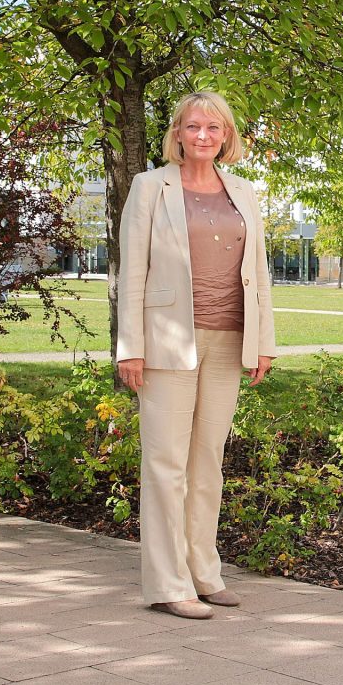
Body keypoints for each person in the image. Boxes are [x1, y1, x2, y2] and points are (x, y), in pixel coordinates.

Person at [116, 91, 277, 619]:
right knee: (165, 463)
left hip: (229, 338)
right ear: (178, 134)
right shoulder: (149, 187)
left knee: (208, 460)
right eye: (193, 127)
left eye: (213, 127)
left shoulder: (244, 192)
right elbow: (131, 269)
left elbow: (260, 274)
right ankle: (167, 583)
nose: (203, 135)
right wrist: (130, 348)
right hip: (165, 339)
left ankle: (204, 571)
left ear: (226, 135)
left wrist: (264, 343)